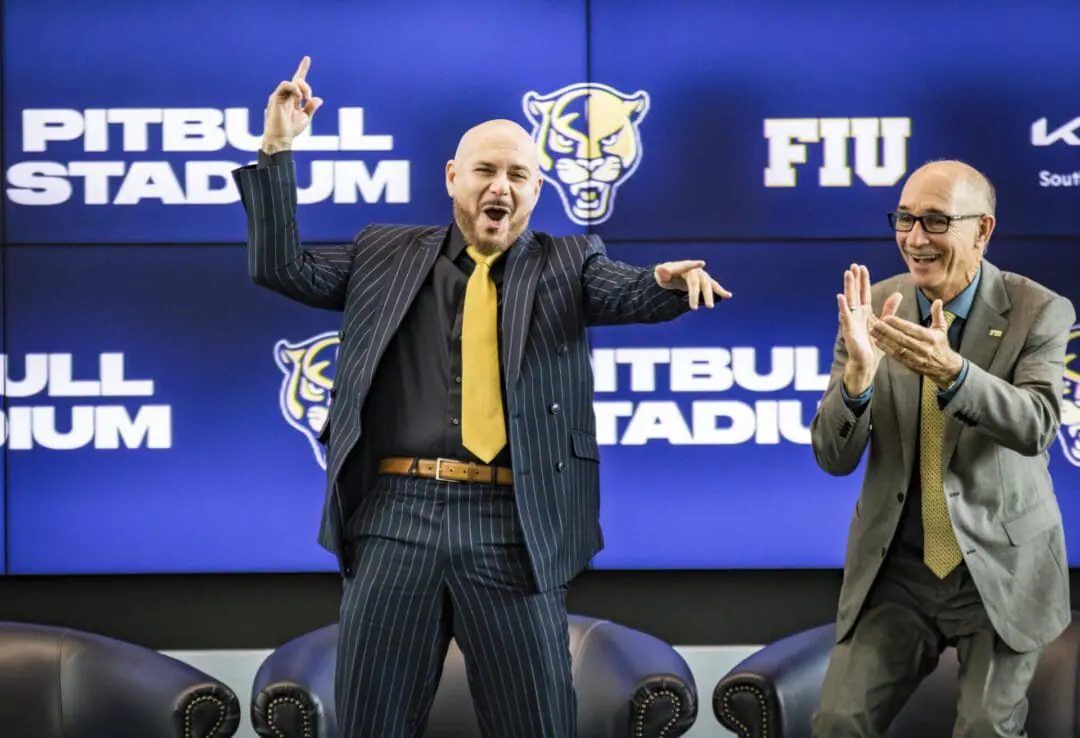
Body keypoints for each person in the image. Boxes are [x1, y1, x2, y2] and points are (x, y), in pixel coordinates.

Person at [232, 56, 731, 738]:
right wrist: (277, 148)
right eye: (486, 172)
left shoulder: (569, 261)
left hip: (511, 521)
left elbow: (628, 289)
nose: (501, 187)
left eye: (518, 175)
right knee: (372, 724)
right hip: (394, 517)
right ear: (452, 179)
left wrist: (667, 284)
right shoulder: (385, 252)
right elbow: (280, 266)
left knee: (537, 722)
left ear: (538, 189)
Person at [809, 159, 1075, 737]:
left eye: (935, 221)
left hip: (1000, 566)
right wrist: (857, 376)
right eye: (904, 219)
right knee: (837, 722)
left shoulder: (1039, 311)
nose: (914, 238)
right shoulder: (875, 308)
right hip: (899, 570)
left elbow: (1037, 424)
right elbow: (834, 457)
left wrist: (954, 373)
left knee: (985, 727)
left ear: (982, 231)